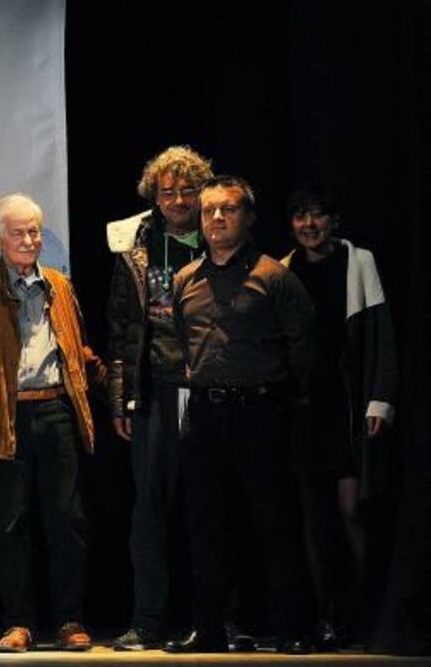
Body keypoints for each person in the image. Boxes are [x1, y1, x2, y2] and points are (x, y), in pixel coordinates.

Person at [0, 193, 106, 653]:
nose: (28, 239)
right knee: (10, 524)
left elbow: (79, 350)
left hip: (56, 410)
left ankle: (70, 619)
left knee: (68, 520)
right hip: (4, 415)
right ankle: (18, 621)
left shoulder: (59, 284)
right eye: (17, 232)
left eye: (34, 230)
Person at [167, 176, 316, 654]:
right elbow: (178, 343)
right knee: (207, 525)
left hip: (262, 412)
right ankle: (210, 627)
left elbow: (305, 347)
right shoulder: (185, 279)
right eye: (208, 210)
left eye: (227, 210)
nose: (215, 218)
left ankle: (293, 628)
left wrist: (284, 401)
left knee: (274, 523)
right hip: (207, 415)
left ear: (247, 217)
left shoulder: (274, 276)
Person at [281, 186, 398, 648]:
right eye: (300, 216)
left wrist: (381, 400)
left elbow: (383, 336)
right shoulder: (283, 270)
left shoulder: (359, 261)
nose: (309, 224)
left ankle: (366, 609)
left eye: (317, 215)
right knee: (313, 518)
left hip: (347, 405)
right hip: (304, 408)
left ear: (333, 220)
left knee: (353, 509)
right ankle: (327, 613)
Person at [105, 146, 211, 650]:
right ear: (154, 195)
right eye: (167, 191)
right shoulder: (136, 245)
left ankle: (217, 619)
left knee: (209, 504)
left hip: (209, 389)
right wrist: (121, 397)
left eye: (187, 189)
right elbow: (121, 327)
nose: (177, 199)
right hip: (153, 390)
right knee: (150, 508)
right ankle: (148, 621)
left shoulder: (218, 238)